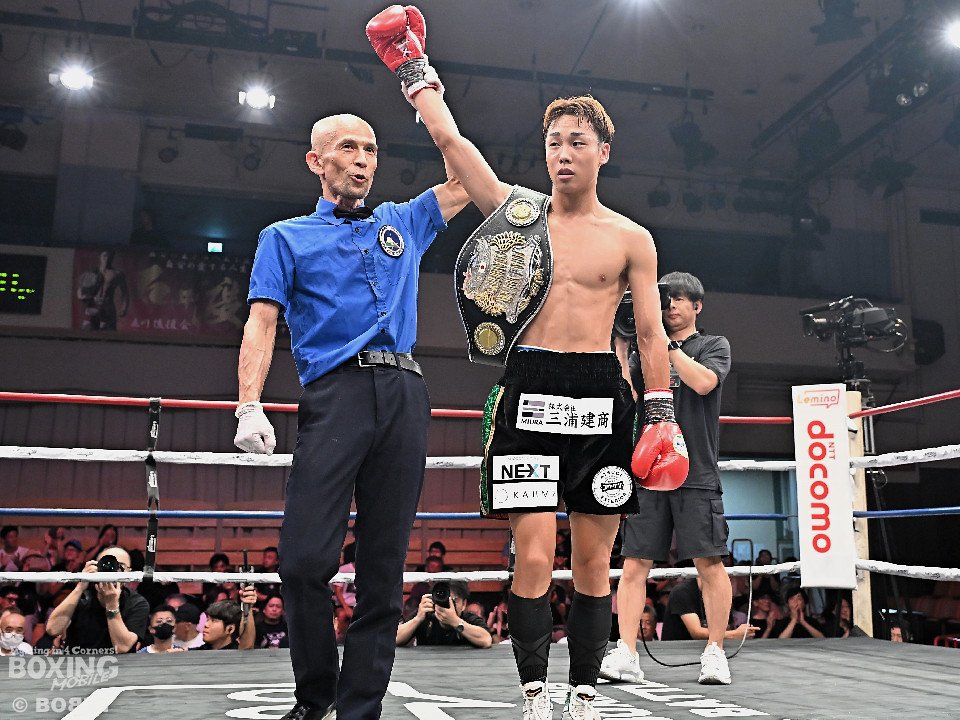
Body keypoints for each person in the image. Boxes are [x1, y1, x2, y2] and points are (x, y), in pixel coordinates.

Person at [366, 9, 681, 719]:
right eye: (553, 142)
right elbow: (453, 143)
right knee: (534, 556)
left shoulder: (632, 238)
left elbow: (651, 333)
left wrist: (662, 412)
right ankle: (536, 690)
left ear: (603, 151)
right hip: (530, 386)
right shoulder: (516, 212)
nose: (562, 153)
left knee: (593, 561)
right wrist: (412, 67)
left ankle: (585, 689)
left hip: (601, 395)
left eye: (577, 141)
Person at [232, 105, 469, 719]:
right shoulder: (283, 237)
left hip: (405, 391)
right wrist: (249, 404)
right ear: (316, 161)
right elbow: (261, 321)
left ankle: (359, 709)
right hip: (335, 395)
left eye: (370, 149)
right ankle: (314, 699)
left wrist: (426, 98)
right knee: (303, 561)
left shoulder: (403, 221)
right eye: (348, 148)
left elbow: (468, 180)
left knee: (383, 568)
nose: (362, 160)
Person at [601, 272, 737, 685]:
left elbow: (704, 382)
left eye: (680, 298)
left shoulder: (713, 346)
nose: (672, 305)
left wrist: (667, 346)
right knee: (634, 563)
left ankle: (715, 652)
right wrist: (623, 347)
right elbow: (626, 398)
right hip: (648, 470)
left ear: (697, 306)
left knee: (709, 562)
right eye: (666, 299)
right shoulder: (646, 350)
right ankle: (626, 652)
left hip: (696, 471)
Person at [44, 547, 149, 653]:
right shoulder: (82, 597)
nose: (113, 570)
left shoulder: (137, 603)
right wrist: (80, 586)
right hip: (80, 661)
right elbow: (53, 629)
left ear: (129, 572)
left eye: (120, 566)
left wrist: (111, 605)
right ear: (96, 567)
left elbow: (123, 647)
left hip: (118, 663)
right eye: (107, 564)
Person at [658, 577, 758, 644]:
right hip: (676, 651)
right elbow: (696, 633)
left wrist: (740, 632)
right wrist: (734, 634)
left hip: (706, 649)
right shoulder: (682, 591)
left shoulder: (720, 591)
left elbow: (725, 629)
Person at [396, 580, 492, 648]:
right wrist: (417, 619)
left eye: (453, 600)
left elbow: (486, 640)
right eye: (445, 598)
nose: (448, 604)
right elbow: (395, 639)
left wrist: (455, 622)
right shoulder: (425, 614)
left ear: (464, 604)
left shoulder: (468, 619)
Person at [77, 250, 129, 331]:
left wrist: (124, 308)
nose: (107, 259)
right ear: (100, 257)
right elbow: (81, 290)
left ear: (113, 258)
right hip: (92, 306)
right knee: (88, 332)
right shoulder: (91, 272)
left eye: (109, 256)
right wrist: (82, 297)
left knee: (107, 335)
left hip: (107, 307)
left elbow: (125, 293)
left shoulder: (117, 274)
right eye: (104, 256)